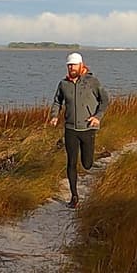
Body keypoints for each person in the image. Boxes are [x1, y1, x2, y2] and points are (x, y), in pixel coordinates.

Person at [47, 52, 109, 208]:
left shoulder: (92, 81)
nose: (71, 68)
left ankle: (95, 157)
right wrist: (54, 116)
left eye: (73, 65)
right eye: (69, 65)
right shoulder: (63, 84)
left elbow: (105, 100)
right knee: (71, 163)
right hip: (70, 129)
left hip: (88, 128)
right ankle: (74, 196)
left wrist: (97, 117)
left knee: (87, 164)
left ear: (81, 65)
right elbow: (57, 101)